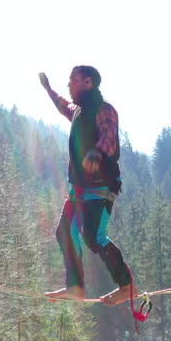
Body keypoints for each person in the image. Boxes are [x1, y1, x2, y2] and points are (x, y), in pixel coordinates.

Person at [39, 66, 138, 307]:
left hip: (102, 186)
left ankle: (126, 287)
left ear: (88, 82)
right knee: (65, 232)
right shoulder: (78, 112)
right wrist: (48, 89)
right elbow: (64, 105)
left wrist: (95, 153)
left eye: (72, 80)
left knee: (93, 237)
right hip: (80, 189)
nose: (69, 85)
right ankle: (75, 287)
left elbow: (109, 137)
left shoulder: (104, 110)